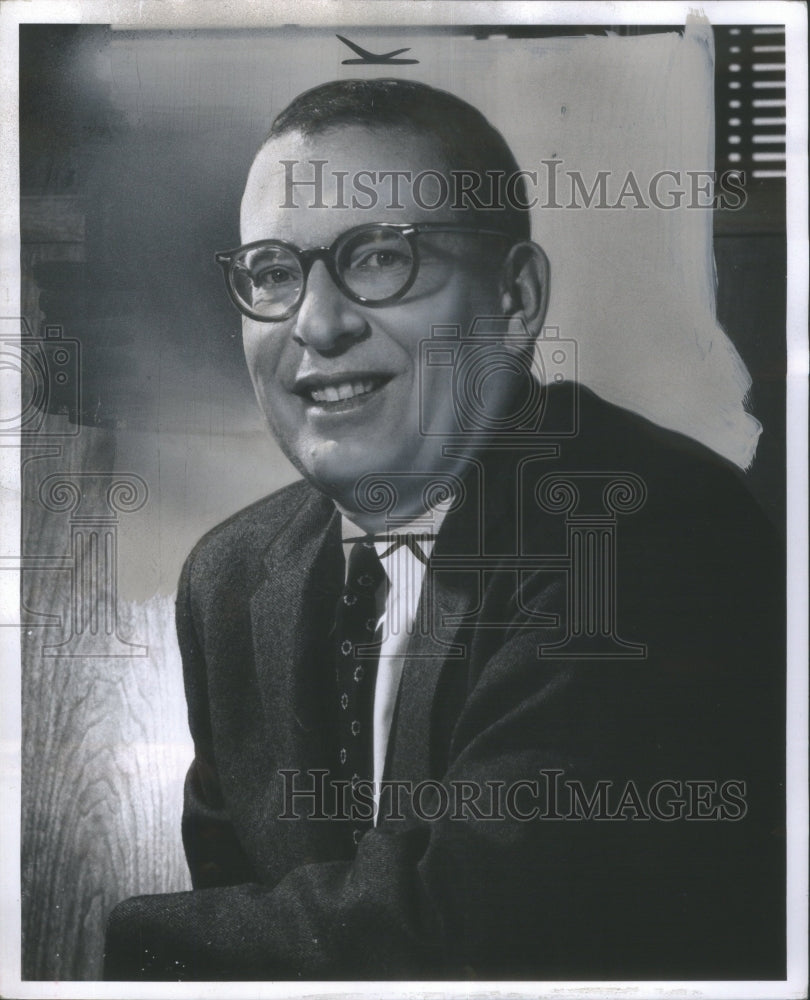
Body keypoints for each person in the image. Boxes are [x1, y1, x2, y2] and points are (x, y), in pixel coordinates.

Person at [104, 79, 784, 981]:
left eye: (379, 258)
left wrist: (115, 947)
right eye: (272, 271)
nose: (317, 323)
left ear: (513, 300)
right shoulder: (228, 578)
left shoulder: (638, 526)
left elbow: (470, 933)